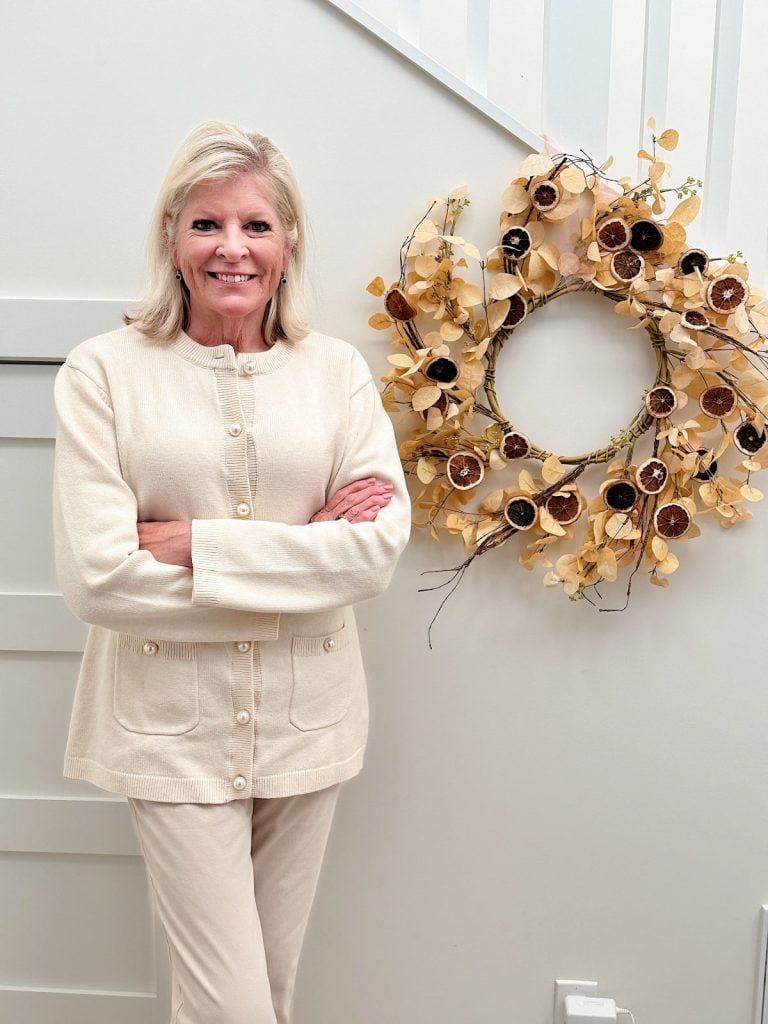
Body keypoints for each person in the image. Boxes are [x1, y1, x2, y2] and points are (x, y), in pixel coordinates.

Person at [52, 120, 412, 1024]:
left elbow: (372, 550)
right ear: (172, 240)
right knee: (233, 1010)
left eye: (257, 225)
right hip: (169, 733)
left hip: (309, 726)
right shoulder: (104, 373)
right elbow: (98, 581)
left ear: (288, 244)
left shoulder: (336, 375)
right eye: (207, 224)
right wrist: (298, 566)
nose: (232, 249)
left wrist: (196, 548)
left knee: (266, 995)